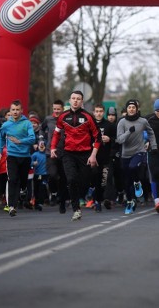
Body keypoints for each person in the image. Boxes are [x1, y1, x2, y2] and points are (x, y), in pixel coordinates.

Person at [50, 91, 100, 221]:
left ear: (82, 101)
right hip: (68, 153)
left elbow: (97, 137)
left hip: (85, 154)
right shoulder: (63, 116)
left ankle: (80, 197)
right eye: (73, 98)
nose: (75, 101)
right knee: (71, 179)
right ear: (70, 100)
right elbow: (56, 133)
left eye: (78, 99)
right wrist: (53, 147)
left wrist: (93, 155)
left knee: (84, 183)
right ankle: (76, 209)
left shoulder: (88, 117)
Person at [116, 99, 157, 215]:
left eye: (133, 107)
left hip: (139, 151)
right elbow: (119, 140)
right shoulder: (122, 122)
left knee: (133, 167)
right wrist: (129, 132)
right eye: (129, 107)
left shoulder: (143, 121)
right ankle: (130, 201)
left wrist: (153, 145)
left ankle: (137, 181)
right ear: (127, 109)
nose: (131, 109)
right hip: (125, 154)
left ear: (137, 109)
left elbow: (151, 133)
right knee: (127, 182)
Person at [0, 99, 36, 217]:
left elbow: (32, 138)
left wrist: (20, 141)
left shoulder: (27, 123)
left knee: (23, 180)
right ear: (10, 111)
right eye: (13, 110)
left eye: (17, 110)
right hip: (12, 156)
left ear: (21, 111)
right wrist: (0, 151)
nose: (15, 112)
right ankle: (11, 206)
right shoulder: (6, 125)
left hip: (25, 156)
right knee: (12, 179)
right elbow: (0, 138)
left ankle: (23, 189)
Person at [41, 100, 67, 211]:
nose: (56, 111)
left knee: (63, 177)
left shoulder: (66, 119)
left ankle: (62, 198)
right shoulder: (48, 119)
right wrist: (41, 140)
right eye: (54, 109)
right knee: (52, 175)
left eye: (58, 109)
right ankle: (54, 193)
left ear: (62, 109)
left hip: (64, 152)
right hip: (50, 151)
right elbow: (41, 129)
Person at [31, 141, 48, 211]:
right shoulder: (35, 154)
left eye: (43, 145)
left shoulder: (47, 155)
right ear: (37, 146)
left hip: (45, 175)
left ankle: (41, 202)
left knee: (42, 187)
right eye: (40, 145)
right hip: (37, 174)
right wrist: (33, 163)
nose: (41, 147)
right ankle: (36, 203)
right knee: (36, 189)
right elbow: (29, 162)